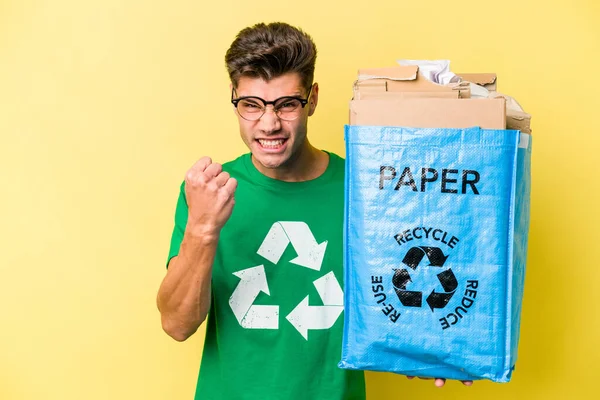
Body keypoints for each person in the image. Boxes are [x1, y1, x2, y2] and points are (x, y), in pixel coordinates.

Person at [156, 22, 470, 400]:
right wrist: (202, 230)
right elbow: (177, 324)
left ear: (313, 98)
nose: (269, 124)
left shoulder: (366, 190)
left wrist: (433, 348)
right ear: (234, 98)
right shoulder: (208, 193)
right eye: (251, 105)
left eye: (287, 104)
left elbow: (404, 286)